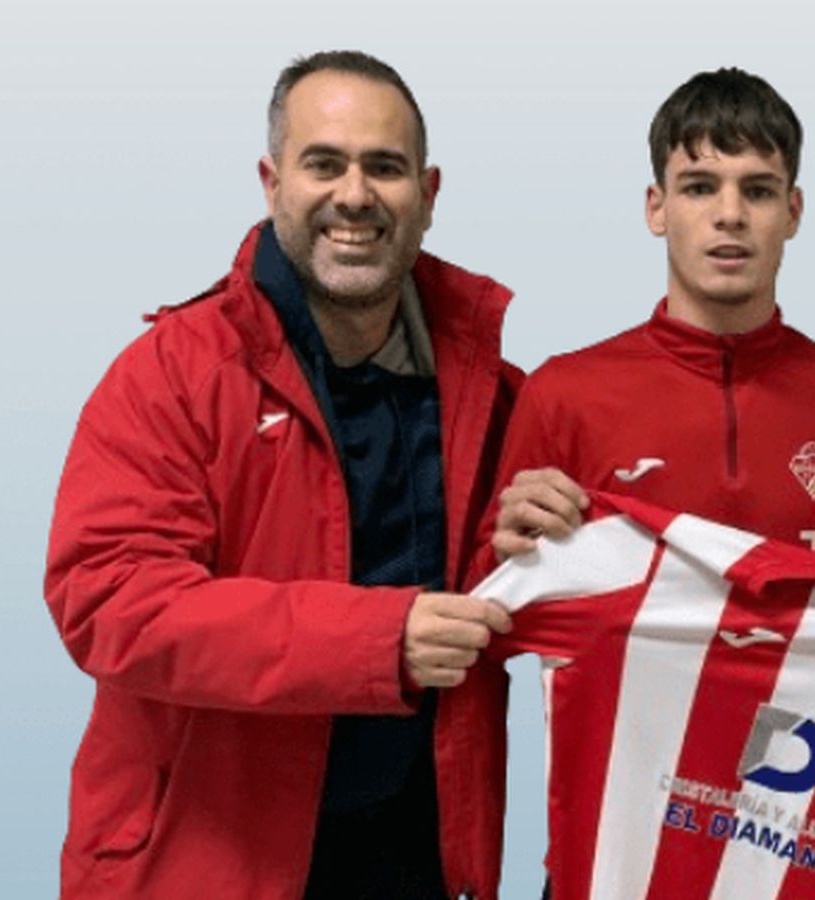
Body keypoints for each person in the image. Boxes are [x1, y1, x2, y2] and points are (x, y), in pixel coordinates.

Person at [44, 51, 519, 900]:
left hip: (424, 856)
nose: (354, 195)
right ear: (271, 183)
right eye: (324, 163)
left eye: (385, 167)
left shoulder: (494, 393)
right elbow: (109, 599)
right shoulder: (172, 374)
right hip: (204, 862)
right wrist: (381, 640)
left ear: (430, 192)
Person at [486, 68, 815, 579]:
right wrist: (508, 556)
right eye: (700, 187)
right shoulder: (561, 397)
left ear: (793, 212)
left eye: (759, 191)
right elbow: (482, 608)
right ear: (657, 209)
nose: (730, 214)